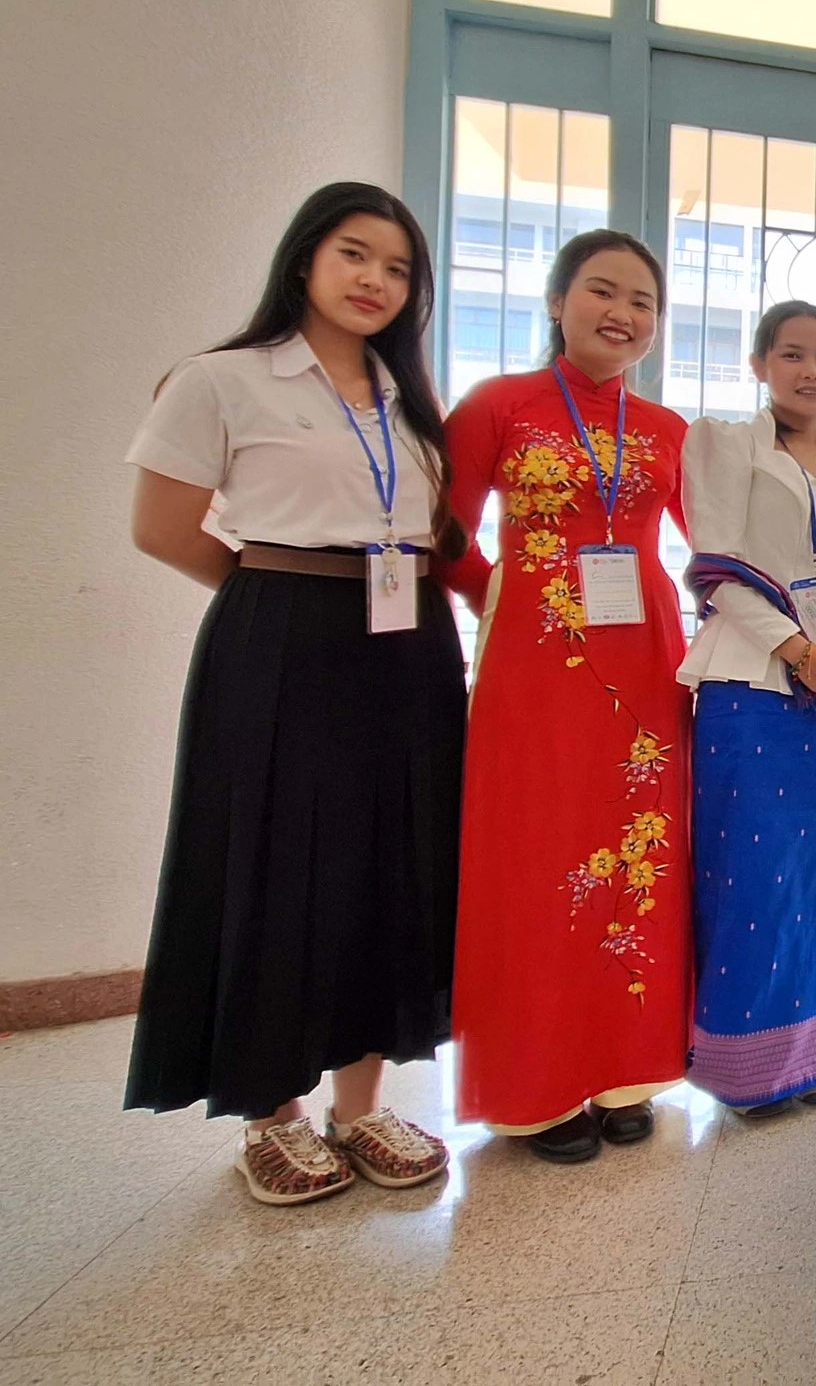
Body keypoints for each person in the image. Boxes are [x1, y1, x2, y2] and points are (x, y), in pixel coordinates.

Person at [124, 182, 462, 1204]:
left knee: (390, 862)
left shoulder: (407, 401)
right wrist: (272, 599)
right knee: (273, 860)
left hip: (404, 642)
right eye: (354, 254)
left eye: (397, 267)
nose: (374, 280)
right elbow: (161, 526)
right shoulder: (223, 379)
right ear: (304, 260)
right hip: (282, 631)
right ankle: (274, 1113)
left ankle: (360, 1105)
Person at [442, 230, 693, 1164]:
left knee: (642, 859)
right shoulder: (495, 406)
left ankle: (626, 1070)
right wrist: (503, 597)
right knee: (538, 859)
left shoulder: (669, 431)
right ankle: (538, 1088)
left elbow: (711, 552)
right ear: (557, 301)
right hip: (536, 664)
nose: (622, 313)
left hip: (645, 664)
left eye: (643, 301)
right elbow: (446, 535)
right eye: (601, 290)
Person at [679, 301, 816, 1116]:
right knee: (753, 877)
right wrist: (800, 651)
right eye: (794, 355)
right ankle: (747, 1070)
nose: (813, 372)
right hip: (752, 683)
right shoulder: (724, 444)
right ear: (760, 363)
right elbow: (716, 570)